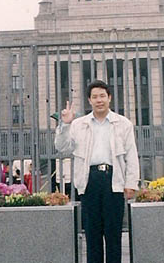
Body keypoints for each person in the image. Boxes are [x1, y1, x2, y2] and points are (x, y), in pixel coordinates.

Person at [55, 80, 139, 263]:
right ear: (89, 100)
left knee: (113, 233)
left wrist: (131, 183)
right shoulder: (79, 124)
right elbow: (62, 148)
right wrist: (65, 125)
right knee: (92, 234)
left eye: (102, 96)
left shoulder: (123, 123)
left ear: (109, 98)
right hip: (89, 180)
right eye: (95, 97)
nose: (99, 100)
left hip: (113, 181)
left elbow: (131, 155)